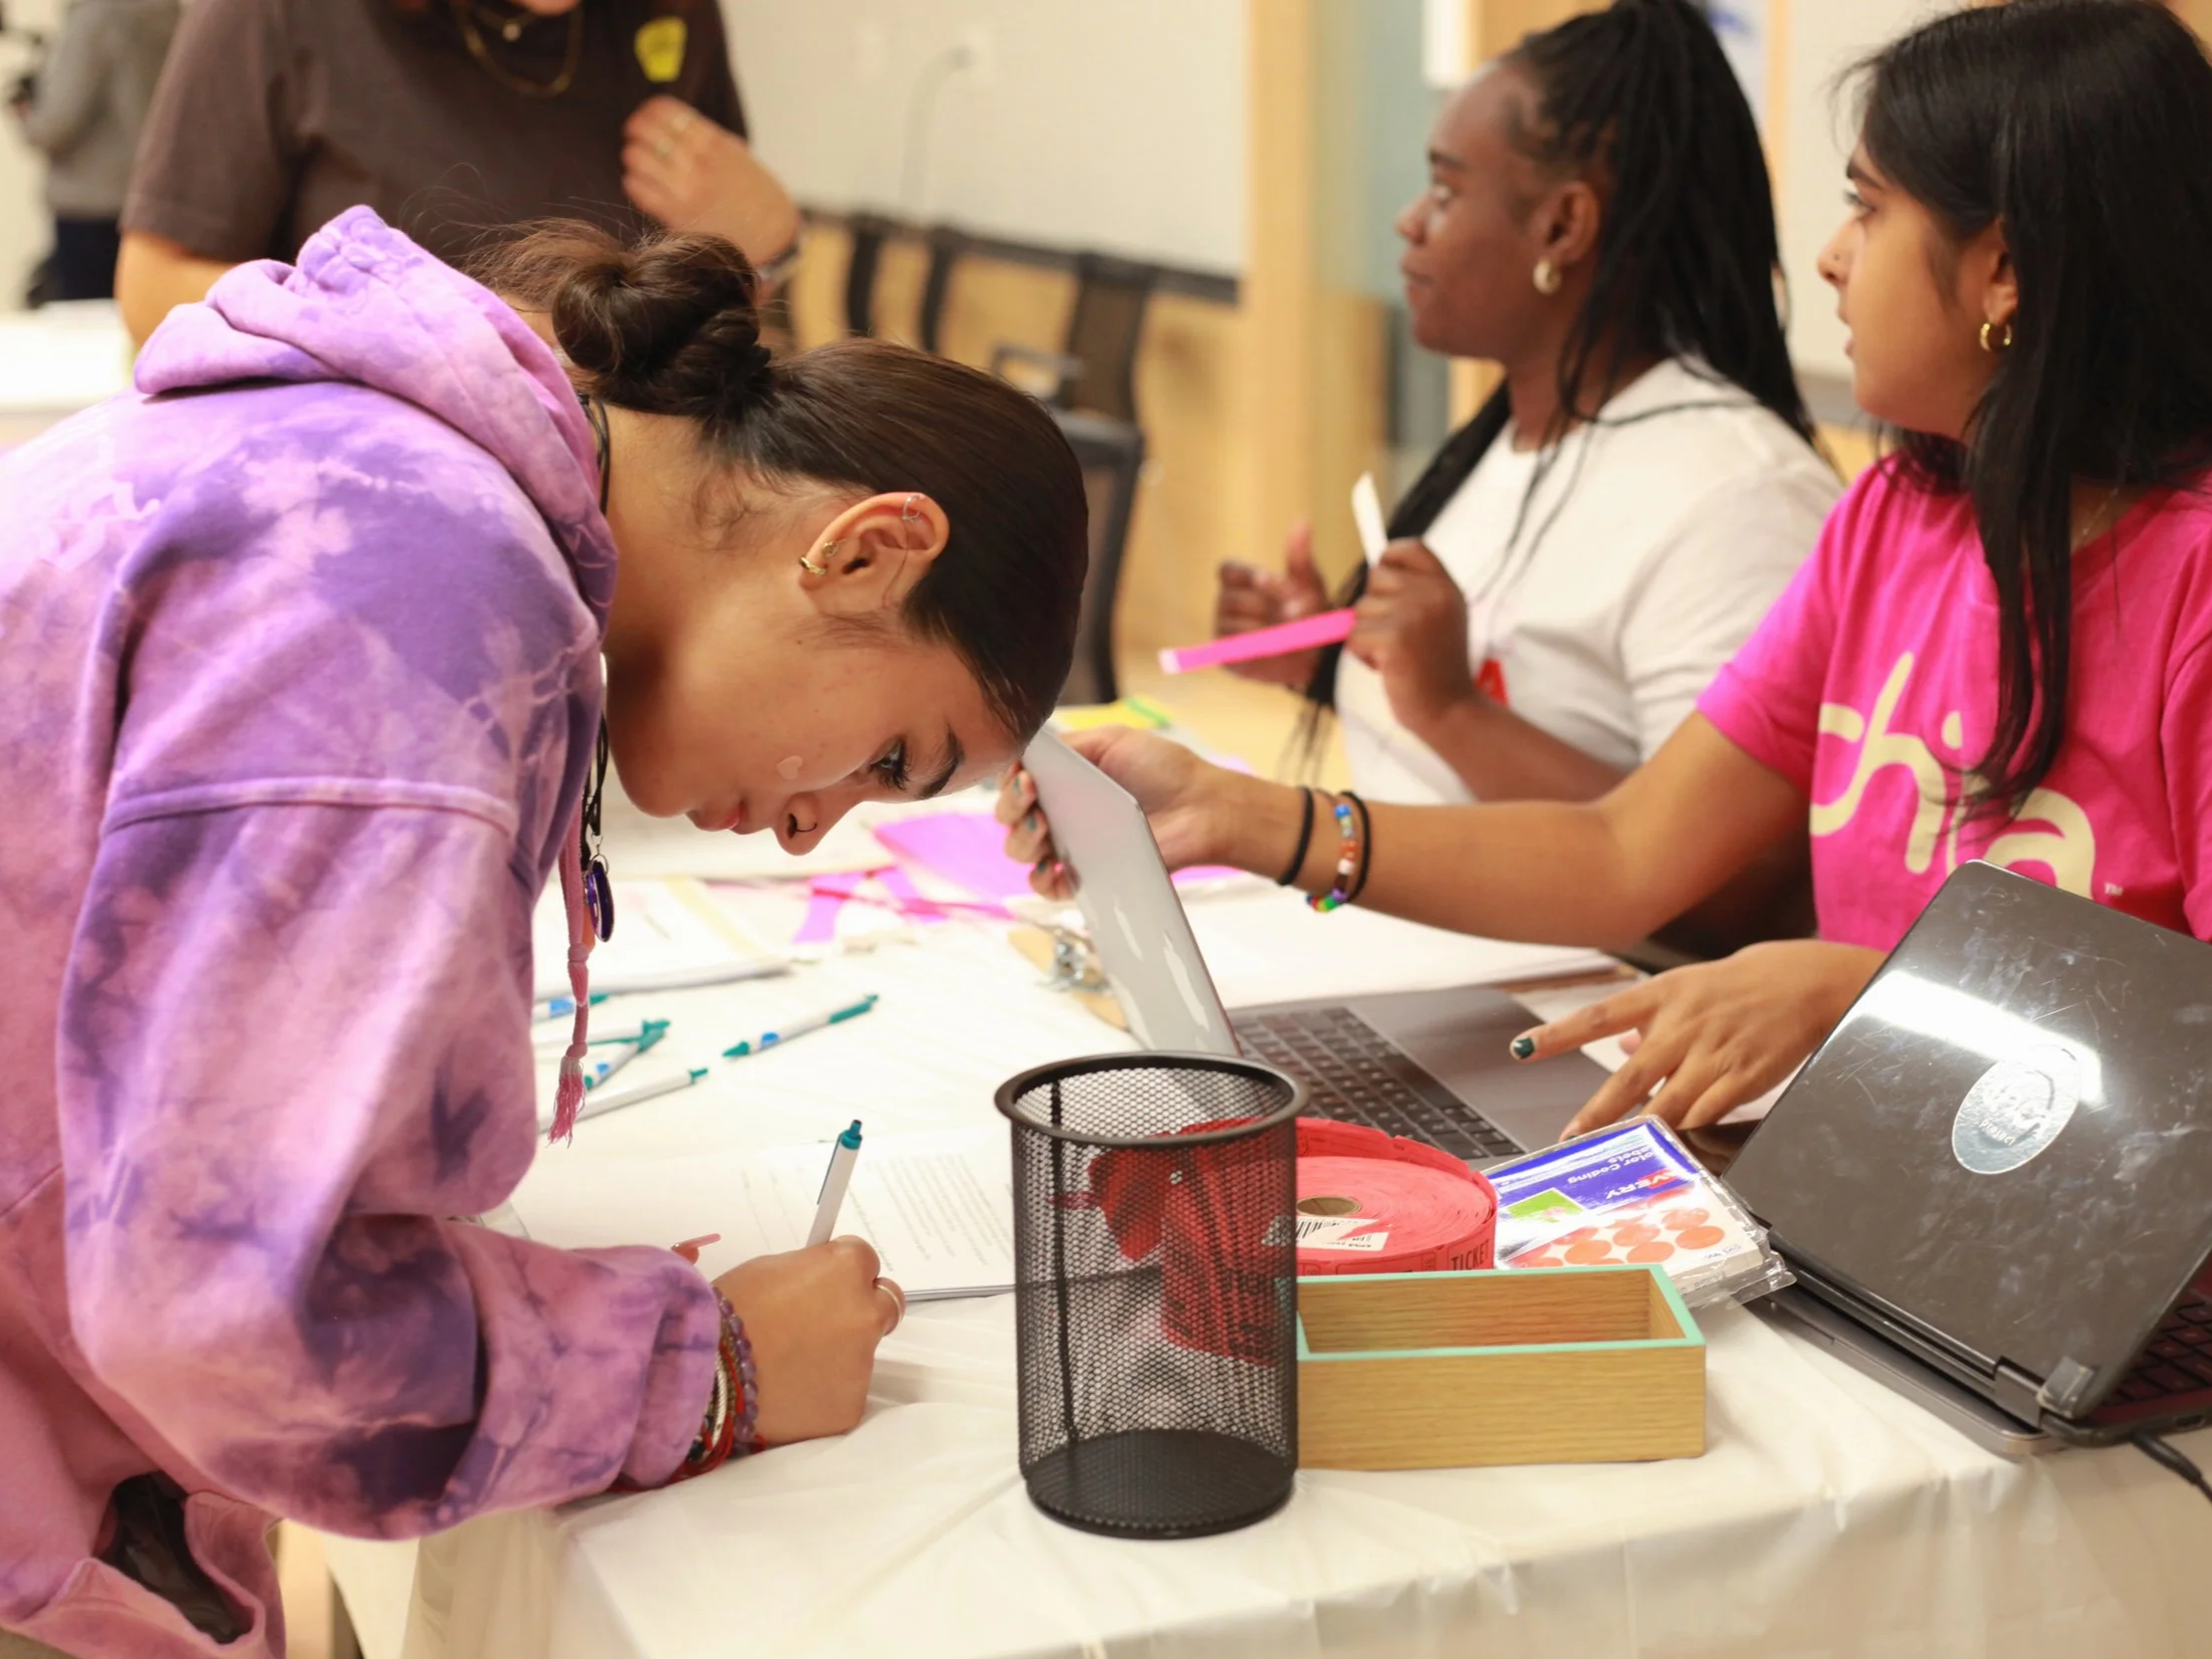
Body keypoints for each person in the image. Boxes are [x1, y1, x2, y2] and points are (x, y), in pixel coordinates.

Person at [0, 209, 1086, 1657]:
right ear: (865, 550)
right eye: (889, 756)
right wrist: (709, 1368)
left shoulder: (391, 472)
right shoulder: (425, 586)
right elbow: (231, 1318)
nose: (817, 825)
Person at [1005, 0, 2212, 1144]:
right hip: (1872, 1190)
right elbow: (1622, 852)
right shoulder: (1893, 519)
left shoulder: (2188, 580)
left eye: (1869, 209)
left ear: (2000, 271)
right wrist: (1239, 811)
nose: (1836, 259)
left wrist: (1872, 994)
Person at [1216, 0, 1837, 831]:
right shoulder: (1515, 438)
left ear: (1563, 225)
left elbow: (1733, 879)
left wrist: (1451, 708)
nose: (1410, 222)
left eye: (1445, 188)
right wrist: (1327, 658)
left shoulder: (1740, 495)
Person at [112, 0, 795, 343]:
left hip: (624, 488)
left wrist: (767, 250)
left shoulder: (670, 14)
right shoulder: (282, 15)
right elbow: (152, 291)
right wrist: (443, 333)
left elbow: (714, 314)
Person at [6, 0, 177, 301]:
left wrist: (25, 112)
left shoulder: (94, 17)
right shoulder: (167, 12)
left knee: (84, 328)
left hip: (90, 204)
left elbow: (55, 125)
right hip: (154, 199)